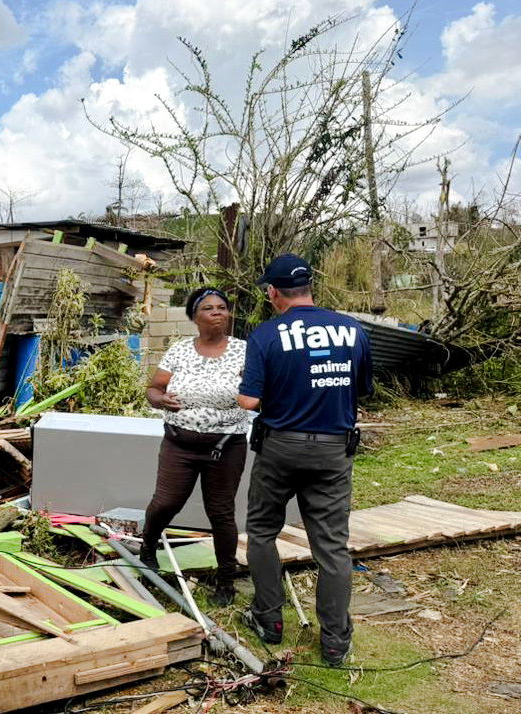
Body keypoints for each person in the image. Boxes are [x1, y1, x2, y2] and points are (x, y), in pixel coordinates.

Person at [237, 254, 373, 667]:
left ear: (273, 292)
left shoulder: (266, 335)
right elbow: (360, 389)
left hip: (280, 447)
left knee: (262, 531)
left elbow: (249, 401)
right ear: (310, 287)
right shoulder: (352, 329)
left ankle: (269, 620)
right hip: (333, 449)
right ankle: (335, 642)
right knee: (331, 547)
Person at [140, 286, 249, 606]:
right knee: (166, 503)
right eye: (208, 308)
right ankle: (148, 549)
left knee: (221, 512)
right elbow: (153, 389)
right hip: (180, 444)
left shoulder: (245, 351)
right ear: (194, 317)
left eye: (221, 307)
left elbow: (260, 392)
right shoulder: (179, 350)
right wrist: (161, 400)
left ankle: (225, 580)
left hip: (226, 446)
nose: (216, 312)